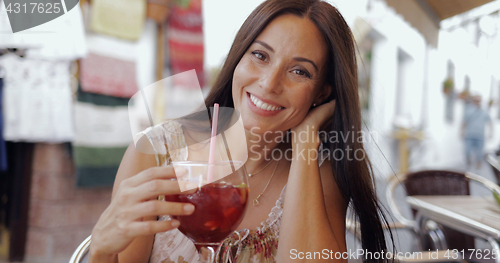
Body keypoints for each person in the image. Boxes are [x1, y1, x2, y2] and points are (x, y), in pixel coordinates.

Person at [88, 0, 392, 262]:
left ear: (321, 94)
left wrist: (305, 141)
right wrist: (100, 252)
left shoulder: (318, 174)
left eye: (299, 71)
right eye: (260, 55)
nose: (269, 83)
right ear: (238, 58)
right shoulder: (157, 151)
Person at [461, 95, 493, 169]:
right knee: (467, 151)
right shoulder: (468, 110)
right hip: (470, 134)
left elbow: (490, 122)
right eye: (475, 101)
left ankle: (478, 165)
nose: (477, 102)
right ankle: (468, 164)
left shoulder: (484, 111)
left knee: (479, 153)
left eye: (478, 101)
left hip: (480, 135)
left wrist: (491, 132)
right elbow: (464, 121)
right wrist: (462, 131)